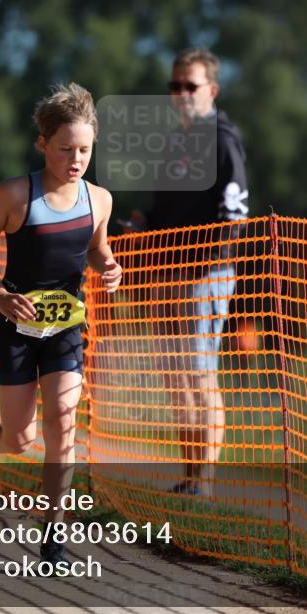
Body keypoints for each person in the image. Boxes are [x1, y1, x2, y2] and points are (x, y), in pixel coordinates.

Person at [0, 83, 122, 566]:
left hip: (66, 327)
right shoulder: (14, 194)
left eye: (85, 150)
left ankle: (54, 538)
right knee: (20, 439)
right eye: (65, 149)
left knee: (63, 420)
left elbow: (94, 248)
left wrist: (108, 267)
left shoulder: (99, 200)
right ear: (43, 145)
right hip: (14, 326)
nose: (75, 159)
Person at [125, 48, 249, 497]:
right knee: (175, 378)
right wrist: (142, 224)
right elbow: (163, 211)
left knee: (200, 374)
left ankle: (207, 483)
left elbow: (234, 211)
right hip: (165, 274)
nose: (180, 93)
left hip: (203, 274)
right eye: (174, 85)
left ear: (211, 90)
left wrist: (210, 263)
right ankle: (190, 476)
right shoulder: (175, 140)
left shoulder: (221, 137)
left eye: (189, 86)